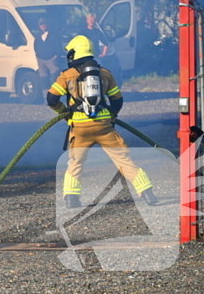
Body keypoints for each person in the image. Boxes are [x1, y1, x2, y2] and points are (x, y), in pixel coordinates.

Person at [46, 35, 159, 208]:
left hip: (80, 129)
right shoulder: (105, 74)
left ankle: (71, 198)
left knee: (76, 163)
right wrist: (111, 117)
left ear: (74, 53)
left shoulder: (67, 75)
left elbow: (51, 99)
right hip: (104, 127)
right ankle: (147, 192)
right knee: (124, 160)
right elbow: (117, 100)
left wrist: (65, 113)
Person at [34, 18, 62, 87]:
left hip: (51, 59)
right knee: (43, 79)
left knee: (54, 77)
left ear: (47, 24)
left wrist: (56, 56)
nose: (42, 26)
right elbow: (35, 45)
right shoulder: (38, 36)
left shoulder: (54, 35)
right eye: (41, 25)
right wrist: (37, 54)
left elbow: (58, 46)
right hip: (41, 60)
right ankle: (45, 95)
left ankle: (53, 94)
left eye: (44, 24)